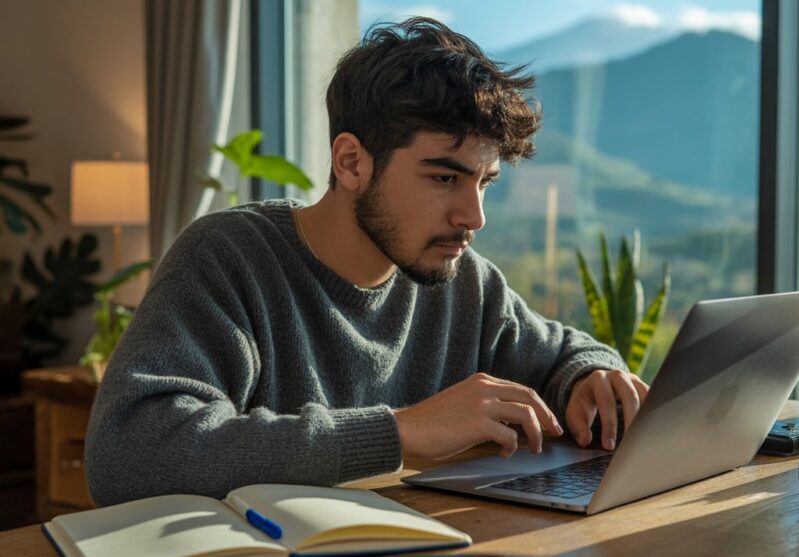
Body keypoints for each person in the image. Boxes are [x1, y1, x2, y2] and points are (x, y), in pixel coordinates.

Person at [85, 17, 649, 507]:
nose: (473, 216)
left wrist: (590, 376)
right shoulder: (229, 258)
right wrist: (401, 431)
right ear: (352, 162)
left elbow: (561, 354)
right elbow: (128, 453)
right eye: (444, 178)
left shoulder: (463, 281)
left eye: (485, 183)